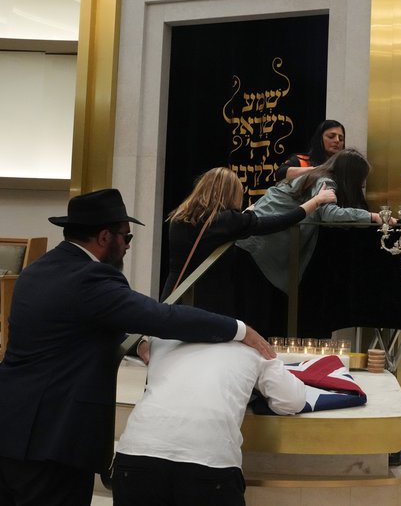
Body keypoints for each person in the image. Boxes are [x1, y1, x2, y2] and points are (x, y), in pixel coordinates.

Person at [0, 188, 275, 506]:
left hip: (11, 425)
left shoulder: (41, 269)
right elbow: (162, 316)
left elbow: (71, 328)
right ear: (105, 237)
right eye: (126, 238)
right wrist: (239, 329)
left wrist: (137, 344)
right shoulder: (92, 277)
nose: (128, 247)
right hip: (53, 439)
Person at [111, 336, 306, 506]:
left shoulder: (163, 339)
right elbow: (292, 401)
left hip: (136, 455)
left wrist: (143, 343)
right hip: (208, 463)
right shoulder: (253, 346)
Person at [160, 166, 336, 315]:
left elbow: (212, 235)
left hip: (174, 293)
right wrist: (316, 201)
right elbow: (280, 222)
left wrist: (243, 218)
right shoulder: (228, 220)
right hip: (208, 301)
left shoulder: (180, 216)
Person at [237, 148, 393, 296]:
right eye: (361, 178)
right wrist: (372, 216)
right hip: (258, 247)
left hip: (250, 242)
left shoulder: (315, 175)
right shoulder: (326, 182)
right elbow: (330, 214)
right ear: (351, 176)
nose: (363, 184)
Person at [274, 119, 346, 181]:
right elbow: (280, 174)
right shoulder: (301, 161)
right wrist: (319, 170)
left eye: (341, 139)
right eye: (331, 136)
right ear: (319, 139)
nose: (337, 141)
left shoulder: (345, 167)